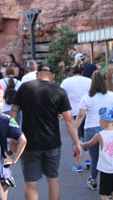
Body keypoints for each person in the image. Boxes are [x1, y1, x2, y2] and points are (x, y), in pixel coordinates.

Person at [10, 64, 82, 200]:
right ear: (53, 77)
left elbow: (14, 111)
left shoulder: (25, 88)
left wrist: (14, 136)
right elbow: (69, 120)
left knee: (31, 184)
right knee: (53, 178)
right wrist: (76, 142)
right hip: (52, 142)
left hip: (29, 143)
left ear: (37, 74)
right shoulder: (59, 91)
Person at [74, 70, 113, 190]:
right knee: (110, 157)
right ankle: (110, 184)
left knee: (94, 157)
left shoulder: (87, 97)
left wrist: (73, 130)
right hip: (110, 128)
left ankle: (94, 180)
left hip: (91, 128)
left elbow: (80, 115)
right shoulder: (112, 95)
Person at [60, 63, 92, 172]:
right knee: (85, 135)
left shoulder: (66, 82)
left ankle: (78, 164)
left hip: (71, 111)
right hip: (86, 110)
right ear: (82, 71)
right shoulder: (89, 81)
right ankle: (88, 158)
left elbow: (61, 95)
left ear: (72, 71)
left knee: (75, 137)